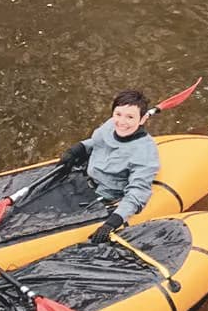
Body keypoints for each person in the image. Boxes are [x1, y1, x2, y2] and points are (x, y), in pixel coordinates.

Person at [60, 89, 163, 246]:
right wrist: (78, 148)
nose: (121, 122)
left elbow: (138, 192)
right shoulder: (110, 125)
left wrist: (113, 222)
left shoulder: (145, 153)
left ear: (142, 120)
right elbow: (96, 142)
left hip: (104, 198)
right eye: (118, 114)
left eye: (130, 117)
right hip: (84, 182)